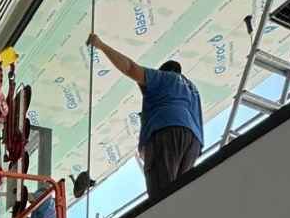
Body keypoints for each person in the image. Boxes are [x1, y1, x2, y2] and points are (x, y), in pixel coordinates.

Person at [87, 33, 203, 200]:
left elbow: (130, 68)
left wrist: (101, 45)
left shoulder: (165, 77)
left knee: (161, 196)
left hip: (167, 130)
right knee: (178, 194)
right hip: (193, 143)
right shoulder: (193, 91)